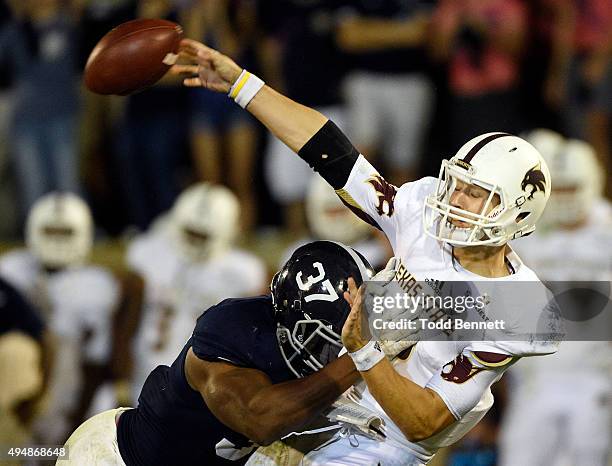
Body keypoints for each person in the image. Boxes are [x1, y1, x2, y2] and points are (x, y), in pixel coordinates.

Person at [172, 40, 559, 465]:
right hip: (332, 395)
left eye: (476, 194)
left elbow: (423, 422)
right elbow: (331, 153)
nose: (455, 199)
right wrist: (241, 86)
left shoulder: (520, 307)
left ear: (516, 213)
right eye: (458, 185)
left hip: (382, 441)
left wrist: (366, 351)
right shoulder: (425, 212)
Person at [59, 240, 414, 466]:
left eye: (350, 333)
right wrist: (365, 353)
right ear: (296, 327)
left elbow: (456, 313)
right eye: (333, 340)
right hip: (113, 458)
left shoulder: (319, 331)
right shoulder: (232, 332)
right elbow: (261, 421)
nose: (342, 345)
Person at [499, 130, 612, 466]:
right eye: (558, 188)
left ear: (592, 182)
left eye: (571, 188)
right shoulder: (526, 229)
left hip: (595, 379)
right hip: (536, 379)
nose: (564, 197)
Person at [125, 182, 267, 400]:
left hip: (203, 389)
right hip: (145, 378)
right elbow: (126, 321)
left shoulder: (244, 273)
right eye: (190, 232)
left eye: (203, 235)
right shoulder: (147, 255)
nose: (195, 241)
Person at [0, 192, 121, 443]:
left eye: (65, 233)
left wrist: (75, 425)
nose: (57, 240)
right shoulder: (10, 269)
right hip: (28, 391)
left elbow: (97, 362)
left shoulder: (97, 285)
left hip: (76, 394)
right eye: (50, 232)